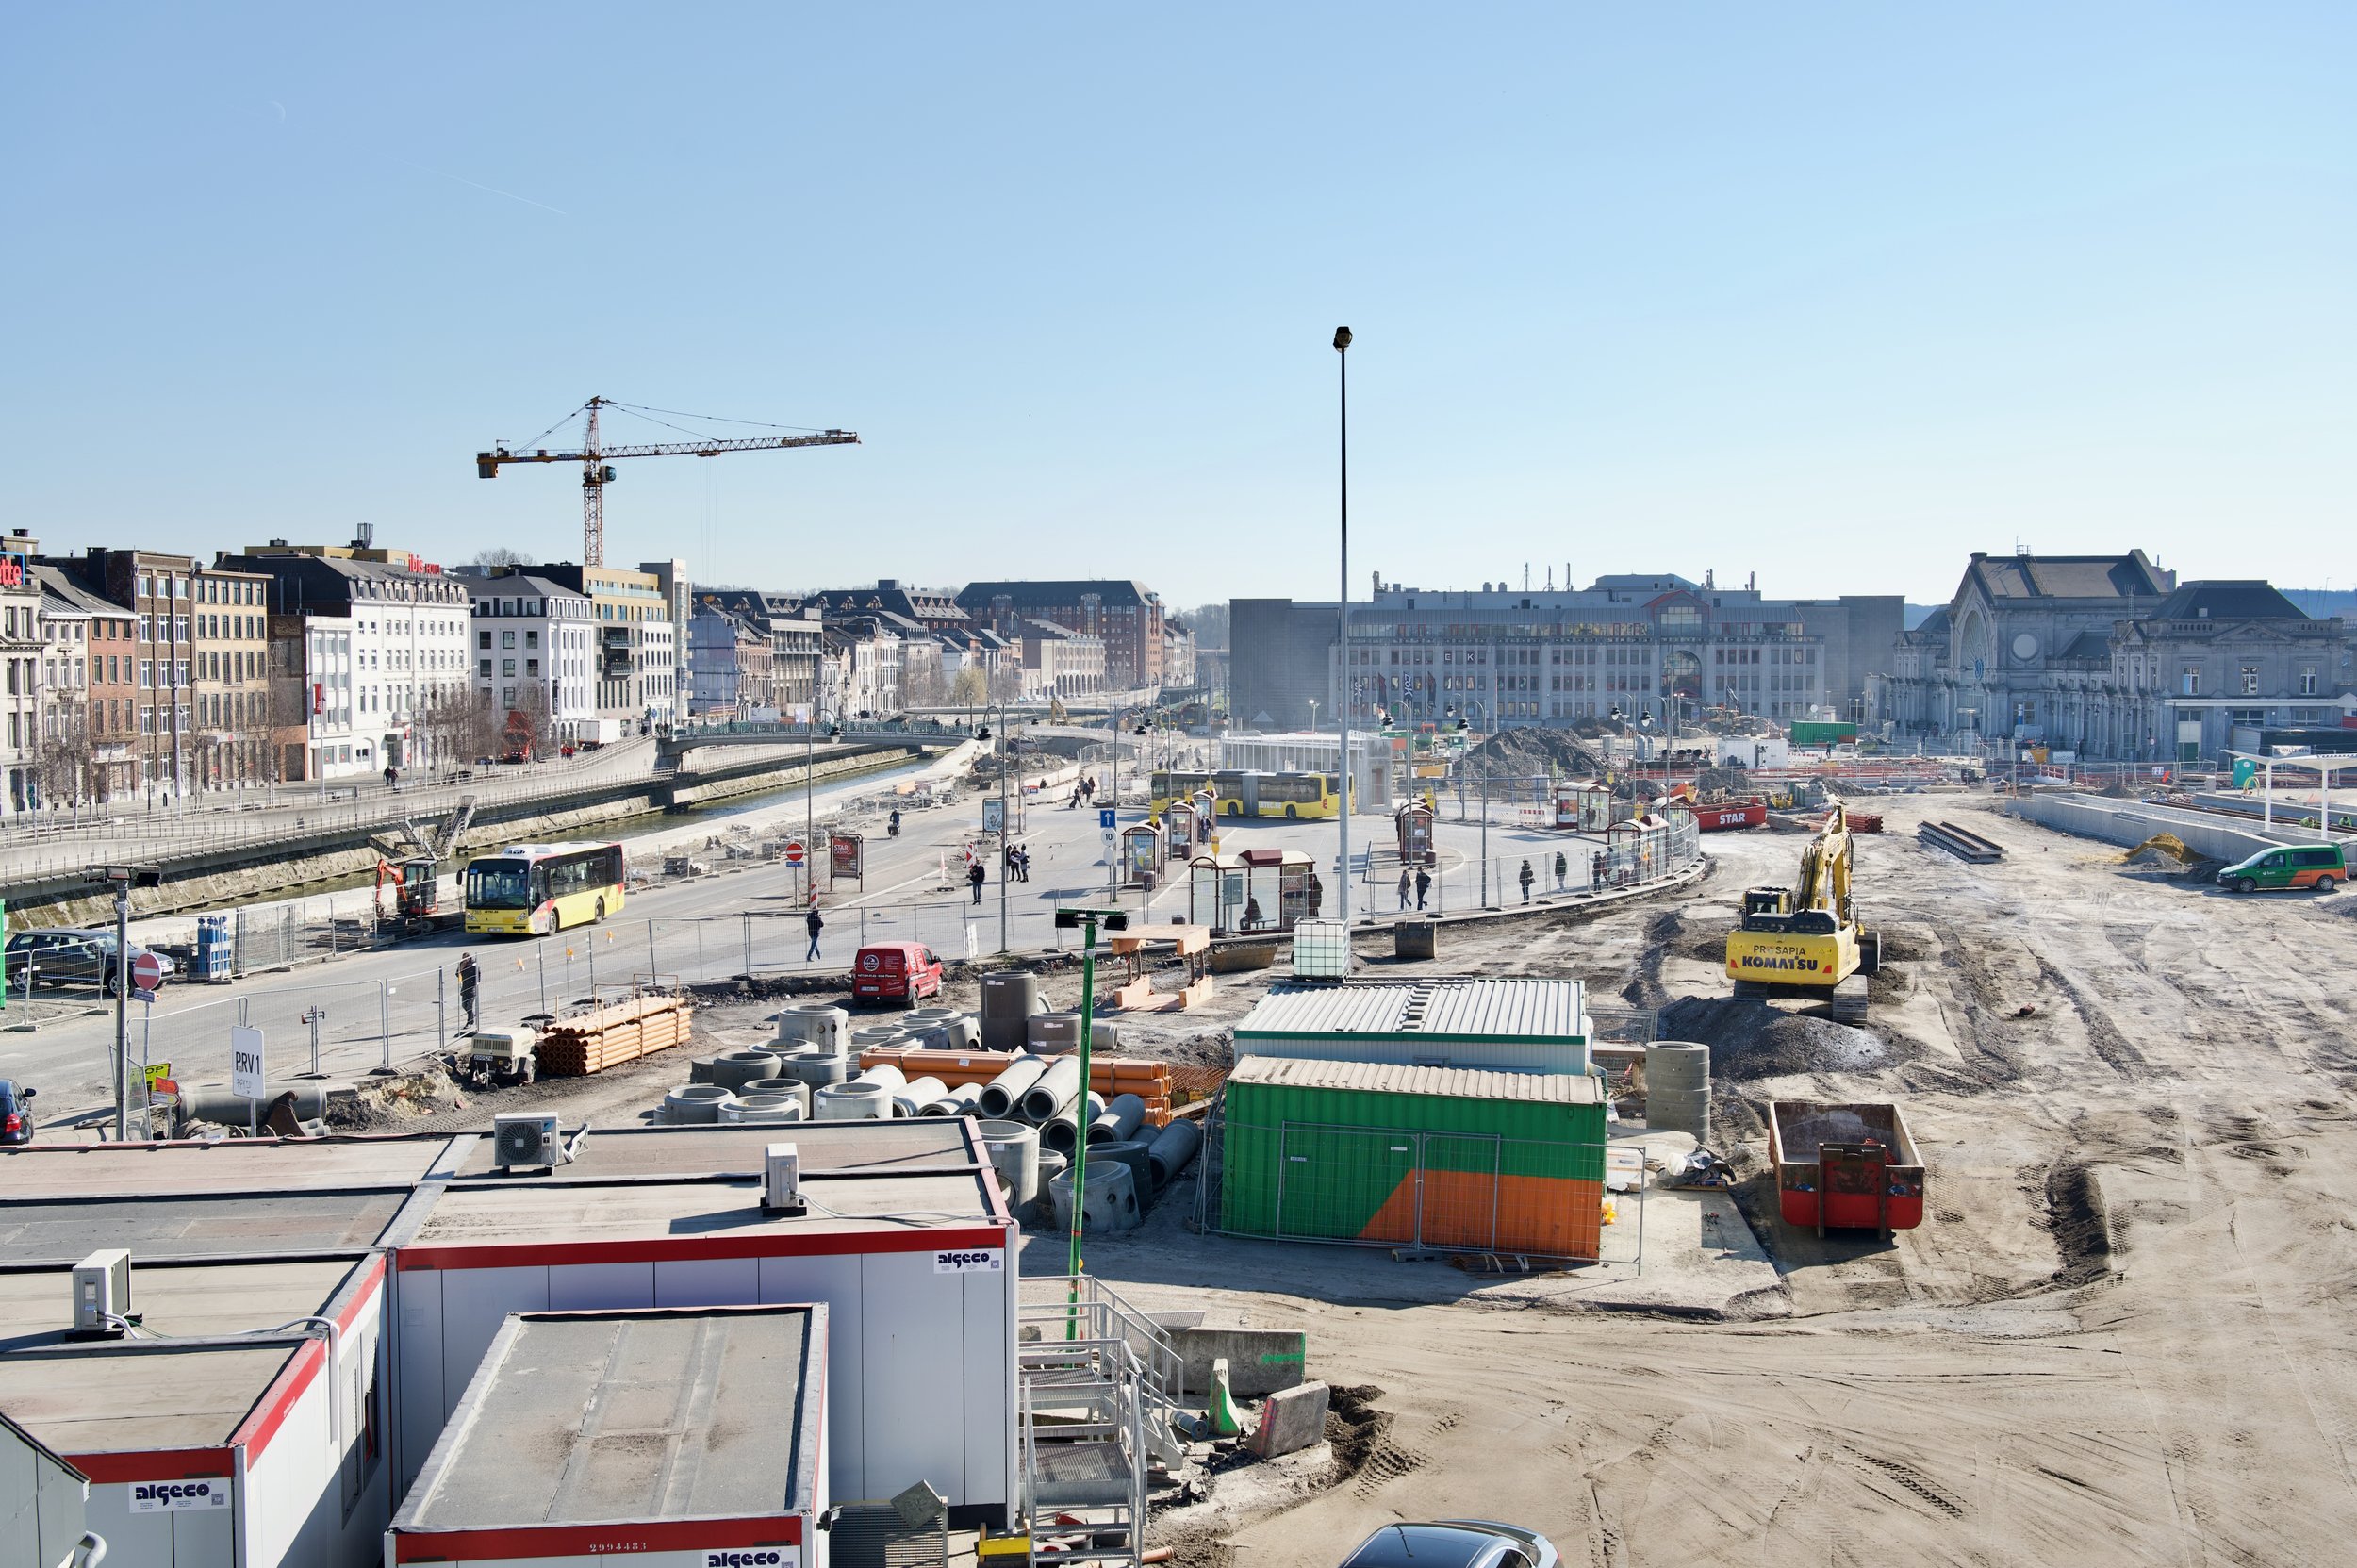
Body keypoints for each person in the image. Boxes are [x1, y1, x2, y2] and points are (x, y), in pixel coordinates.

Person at [455, 952, 479, 1031]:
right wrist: (461, 967)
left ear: (469, 957)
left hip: (472, 988)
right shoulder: (462, 964)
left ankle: (469, 1022)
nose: (464, 959)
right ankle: (472, 1015)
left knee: (469, 1006)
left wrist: (476, 982)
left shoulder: (473, 964)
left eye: (466, 958)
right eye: (463, 958)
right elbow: (457, 974)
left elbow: (478, 973)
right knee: (464, 1005)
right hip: (465, 987)